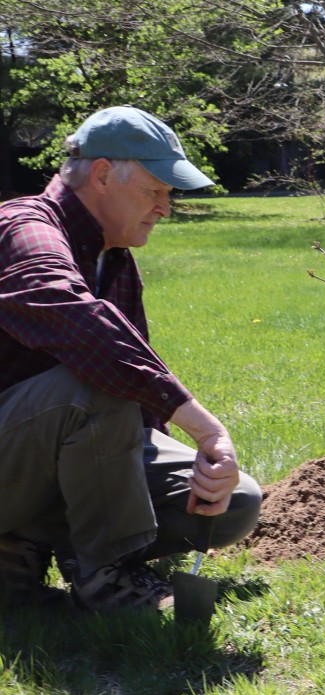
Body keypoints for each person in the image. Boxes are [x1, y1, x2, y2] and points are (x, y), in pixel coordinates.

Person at [0, 106, 262, 612]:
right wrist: (206, 429)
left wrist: (202, 470)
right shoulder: (21, 227)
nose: (165, 208)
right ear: (102, 175)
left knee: (233, 502)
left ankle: (28, 543)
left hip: (39, 461)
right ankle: (107, 576)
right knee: (95, 381)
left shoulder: (115, 257)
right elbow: (81, 328)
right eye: (155, 191)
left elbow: (130, 415)